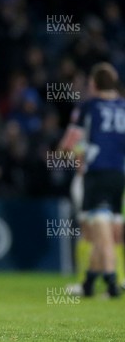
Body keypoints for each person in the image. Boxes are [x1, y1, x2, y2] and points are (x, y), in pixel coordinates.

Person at [58, 62, 125, 298]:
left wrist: (74, 150)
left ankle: (111, 281)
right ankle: (89, 283)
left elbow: (67, 145)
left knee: (97, 232)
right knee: (111, 231)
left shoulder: (89, 107)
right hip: (119, 175)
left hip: (95, 174)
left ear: (94, 84)